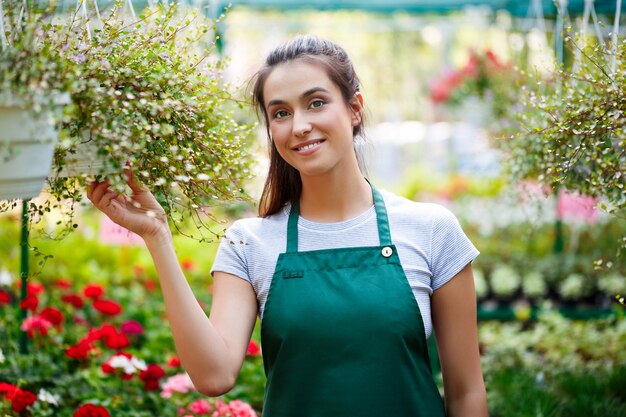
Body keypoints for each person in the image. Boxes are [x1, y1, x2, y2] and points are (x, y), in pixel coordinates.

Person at [87, 34, 487, 417]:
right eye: (281, 112)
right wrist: (157, 236)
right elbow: (214, 375)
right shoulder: (248, 243)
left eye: (315, 103)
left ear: (354, 108)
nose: (298, 126)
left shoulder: (431, 230)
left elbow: (466, 392)